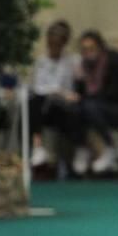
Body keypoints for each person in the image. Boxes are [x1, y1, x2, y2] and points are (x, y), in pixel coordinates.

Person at [71, 30, 118, 174]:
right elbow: (81, 93)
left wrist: (92, 97)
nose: (88, 52)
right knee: (75, 109)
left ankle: (111, 145)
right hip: (93, 106)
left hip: (117, 106)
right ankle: (82, 149)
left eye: (91, 48)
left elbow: (117, 92)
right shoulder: (83, 66)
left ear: (100, 47)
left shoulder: (113, 63)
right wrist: (79, 80)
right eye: (84, 49)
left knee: (89, 106)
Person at [28, 20, 79, 170]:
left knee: (72, 112)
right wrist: (57, 91)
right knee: (34, 102)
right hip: (43, 104)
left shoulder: (71, 61)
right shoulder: (41, 61)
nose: (54, 49)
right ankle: (37, 147)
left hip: (62, 107)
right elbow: (38, 86)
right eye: (51, 45)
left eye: (58, 45)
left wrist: (64, 94)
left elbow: (71, 88)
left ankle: (71, 159)